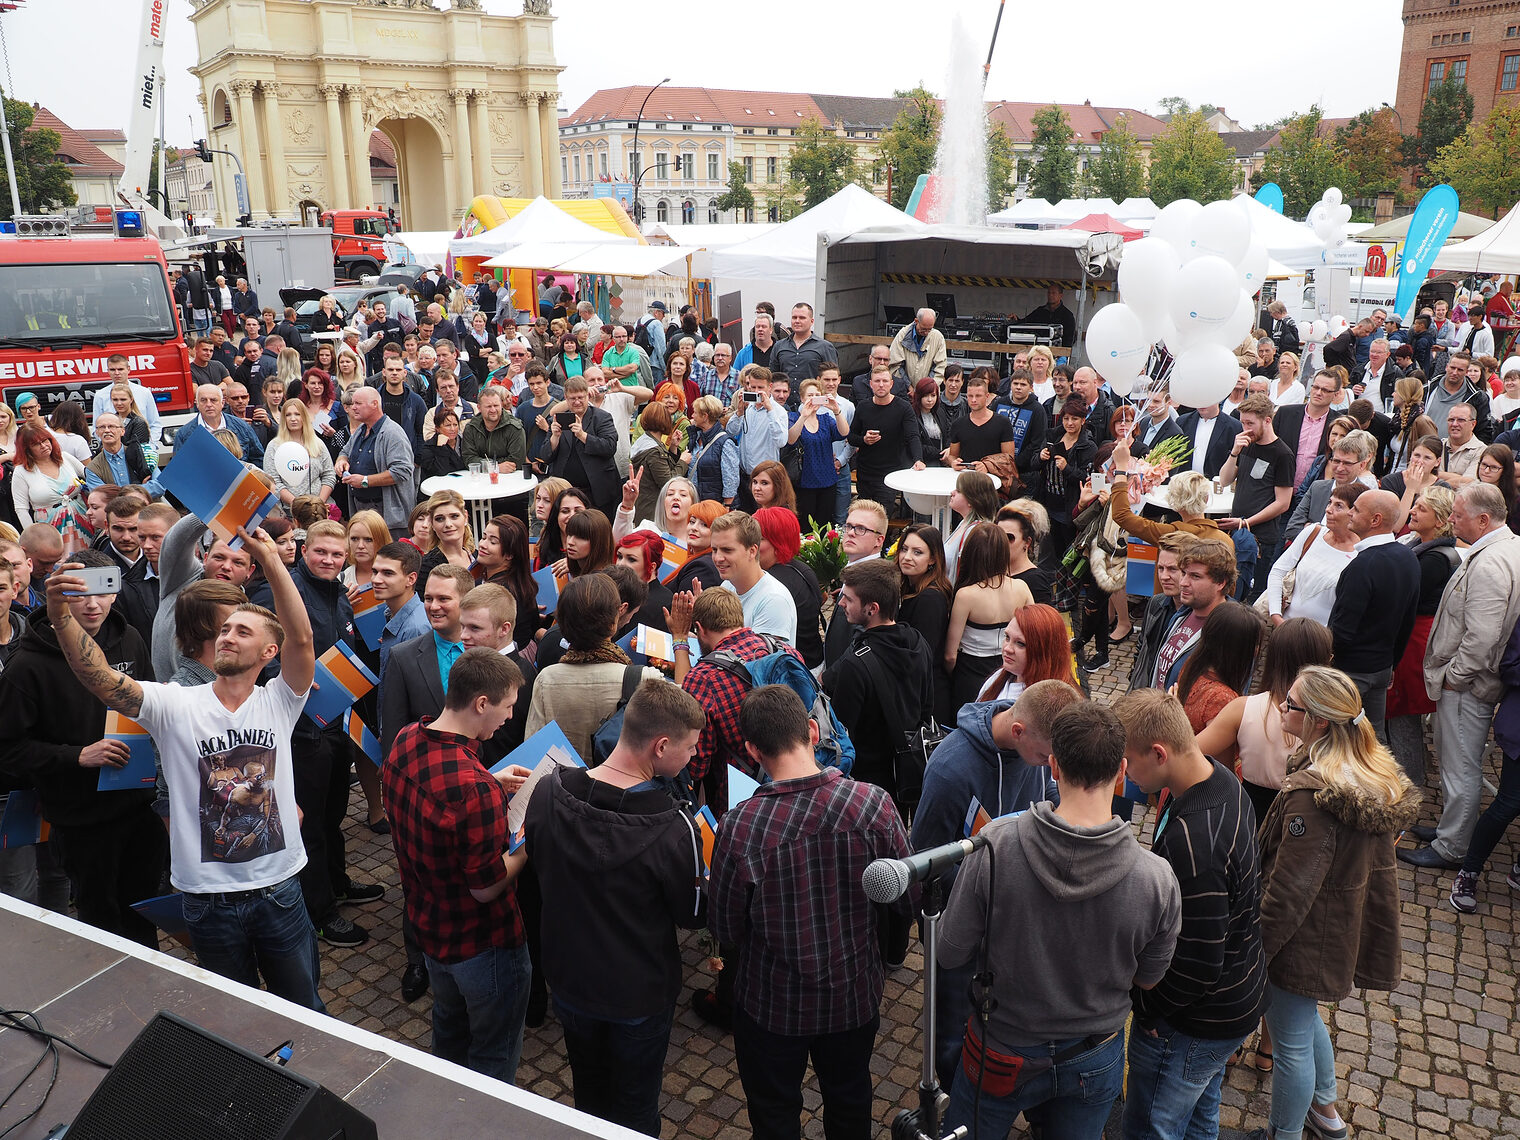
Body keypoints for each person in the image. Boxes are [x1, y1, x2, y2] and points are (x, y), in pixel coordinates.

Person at [41, 528, 329, 1008]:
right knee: (232, 1020)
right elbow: (103, 681)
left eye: (242, 630)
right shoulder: (173, 702)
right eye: (224, 629)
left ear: (268, 653)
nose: (227, 636)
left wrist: (272, 561)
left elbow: (301, 636)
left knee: (306, 1010)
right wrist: (58, 617)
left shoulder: (281, 700)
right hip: (208, 900)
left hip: (280, 889)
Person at [940, 701, 1181, 1139]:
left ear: (1052, 766)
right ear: (1122, 771)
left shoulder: (995, 846)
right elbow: (1149, 979)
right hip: (1093, 1053)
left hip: (1001, 1047)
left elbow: (950, 949)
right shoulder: (1157, 879)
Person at [709, 682, 911, 1140]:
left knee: (775, 1113)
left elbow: (725, 926)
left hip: (772, 1004)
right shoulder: (873, 804)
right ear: (814, 732)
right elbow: (906, 898)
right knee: (850, 1100)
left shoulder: (740, 826)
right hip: (853, 994)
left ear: (752, 750)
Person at [525, 679, 707, 1136]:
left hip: (568, 980)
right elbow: (692, 914)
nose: (693, 758)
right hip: (638, 993)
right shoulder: (673, 828)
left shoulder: (547, 792)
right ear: (660, 746)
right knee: (635, 1108)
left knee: (588, 1090)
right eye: (690, 748)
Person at [1258, 667, 1418, 1140]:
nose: (1282, 708)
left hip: (1304, 938)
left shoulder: (1315, 798)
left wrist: (1255, 949)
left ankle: (1281, 1134)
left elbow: (1289, 891)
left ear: (1321, 723)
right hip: (1331, 926)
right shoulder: (1362, 771)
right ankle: (1325, 1114)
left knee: (1289, 1044)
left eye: (1292, 704)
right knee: (1304, 1023)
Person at [1114, 688, 1267, 1140]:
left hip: (1193, 1022)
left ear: (1159, 753)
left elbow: (1198, 963)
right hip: (1235, 1001)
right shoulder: (1221, 779)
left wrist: (1146, 1009)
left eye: (1128, 759)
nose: (1124, 771)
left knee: (1151, 1127)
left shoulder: (1194, 841)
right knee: (1200, 1117)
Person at [911, 679, 1080, 1082]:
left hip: (1012, 922)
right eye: (1045, 755)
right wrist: (993, 889)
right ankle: (953, 1099)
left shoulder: (1035, 752)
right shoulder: (952, 769)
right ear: (1017, 731)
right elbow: (925, 861)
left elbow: (1048, 794)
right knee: (952, 1029)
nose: (1049, 765)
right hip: (960, 928)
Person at [0, 547, 163, 947]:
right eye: (79, 592)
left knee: (143, 911)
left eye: (103, 590)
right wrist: (77, 756)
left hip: (137, 805)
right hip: (80, 818)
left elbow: (151, 705)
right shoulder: (28, 666)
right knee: (102, 921)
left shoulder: (129, 639)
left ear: (115, 591)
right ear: (60, 595)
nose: (93, 604)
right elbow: (7, 750)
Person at [384, 647, 533, 1080]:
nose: (508, 718)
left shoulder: (408, 736)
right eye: (506, 708)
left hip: (430, 927)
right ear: (481, 703)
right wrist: (529, 842)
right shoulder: (472, 790)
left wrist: (490, 780)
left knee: (448, 1030)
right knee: (493, 1053)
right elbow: (485, 886)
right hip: (482, 943)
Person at [1404, 483, 1520, 870]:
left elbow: (1482, 636)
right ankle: (1449, 830)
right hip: (1473, 681)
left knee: (1461, 767)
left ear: (1484, 520)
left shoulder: (1490, 561)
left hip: (1469, 686)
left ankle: (1451, 847)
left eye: (1458, 514)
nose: (1450, 519)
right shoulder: (1506, 548)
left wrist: (1454, 676)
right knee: (1460, 764)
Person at [823, 558, 935, 811]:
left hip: (867, 784)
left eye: (848, 599)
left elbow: (842, 733)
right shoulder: (918, 642)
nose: (840, 603)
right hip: (908, 772)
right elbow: (927, 707)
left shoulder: (856, 664)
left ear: (872, 608)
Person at [523, 573, 662, 762]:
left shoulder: (547, 679)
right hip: (619, 789)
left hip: (563, 785)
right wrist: (680, 641)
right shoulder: (644, 678)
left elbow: (534, 748)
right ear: (613, 622)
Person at [1326, 489, 1420, 743]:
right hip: (1381, 667)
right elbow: (1407, 622)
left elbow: (1342, 630)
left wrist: (1326, 665)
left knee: (1339, 740)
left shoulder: (1362, 566)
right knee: (1373, 739)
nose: (1350, 513)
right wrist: (1391, 663)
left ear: (1375, 520)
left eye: (1356, 509)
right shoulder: (1408, 558)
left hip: (1351, 672)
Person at [1219, 393, 1296, 599]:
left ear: (1267, 420)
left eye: (1250, 423)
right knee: (1231, 590)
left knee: (1251, 594)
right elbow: (1224, 480)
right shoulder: (1246, 444)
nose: (1245, 429)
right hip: (1238, 530)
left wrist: (1246, 523)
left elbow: (1283, 503)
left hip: (1260, 538)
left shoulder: (1282, 454)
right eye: (1243, 422)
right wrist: (1234, 453)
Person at [1264, 482, 1365, 628]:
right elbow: (1278, 571)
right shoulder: (1313, 532)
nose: (1328, 510)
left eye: (1339, 506)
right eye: (1330, 502)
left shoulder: (1362, 554)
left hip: (1319, 642)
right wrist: (1276, 615)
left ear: (1354, 513)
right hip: (1283, 630)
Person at [1153, 538, 1235, 691]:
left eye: (1195, 576)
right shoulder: (1182, 613)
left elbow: (1226, 697)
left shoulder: (1232, 629)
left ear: (1221, 582)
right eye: (1184, 573)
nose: (1183, 582)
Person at [335, 386, 417, 535]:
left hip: (389, 518)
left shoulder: (392, 433)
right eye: (352, 404)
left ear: (374, 404)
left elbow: (402, 471)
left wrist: (365, 480)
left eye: (358, 404)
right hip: (361, 510)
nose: (353, 408)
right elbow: (345, 451)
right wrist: (341, 461)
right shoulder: (361, 430)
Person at [708, 511, 797, 643]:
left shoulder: (774, 601)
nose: (718, 558)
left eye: (727, 550)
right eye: (714, 550)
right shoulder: (728, 585)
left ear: (752, 551)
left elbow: (758, 660)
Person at [895, 523, 954, 719]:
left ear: (933, 560)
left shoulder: (930, 598)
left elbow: (921, 655)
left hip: (926, 699)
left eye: (917, 552)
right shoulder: (912, 588)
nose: (907, 557)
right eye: (904, 549)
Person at [1282, 428, 1378, 546]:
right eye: (1336, 461)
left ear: (1362, 465)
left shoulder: (1365, 497)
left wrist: (1312, 529)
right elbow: (1292, 529)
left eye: (1347, 463)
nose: (1340, 468)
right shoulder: (1317, 488)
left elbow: (1361, 539)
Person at [850, 364, 923, 511]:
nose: (881, 385)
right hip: (865, 474)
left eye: (884, 381)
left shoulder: (903, 407)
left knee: (882, 518)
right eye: (877, 381)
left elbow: (913, 436)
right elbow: (851, 437)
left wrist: (918, 459)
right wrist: (864, 440)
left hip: (890, 475)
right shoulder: (863, 407)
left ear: (891, 383)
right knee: (866, 517)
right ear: (871, 384)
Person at [547, 377, 622, 518]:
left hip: (598, 491)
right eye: (572, 398)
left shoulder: (602, 418)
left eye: (580, 397)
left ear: (588, 395)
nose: (576, 402)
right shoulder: (557, 420)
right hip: (566, 492)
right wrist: (555, 437)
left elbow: (610, 447)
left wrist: (582, 435)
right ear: (565, 398)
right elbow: (545, 456)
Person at [1035, 396, 1097, 556]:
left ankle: (1063, 580)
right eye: (1066, 418)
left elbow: (1087, 477)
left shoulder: (1087, 446)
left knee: (1066, 548)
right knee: (1048, 548)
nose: (1070, 423)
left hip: (1069, 504)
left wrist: (1067, 469)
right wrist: (1040, 457)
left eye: (1074, 419)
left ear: (1083, 421)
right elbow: (1033, 464)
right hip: (1048, 500)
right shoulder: (1053, 436)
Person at [11, 423, 87, 547]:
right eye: (36, 444)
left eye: (45, 440)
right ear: (27, 449)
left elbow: (89, 475)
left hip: (82, 522)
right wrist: (34, 536)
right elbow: (21, 509)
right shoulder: (21, 472)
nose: (43, 446)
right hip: (49, 530)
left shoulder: (65, 458)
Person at [787, 378, 850, 526]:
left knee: (824, 524)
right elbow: (791, 439)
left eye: (817, 395)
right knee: (805, 525)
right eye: (809, 395)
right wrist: (804, 415)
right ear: (802, 398)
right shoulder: (793, 417)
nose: (813, 399)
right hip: (804, 482)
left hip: (827, 480)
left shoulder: (826, 419)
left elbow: (844, 432)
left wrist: (836, 410)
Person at [996, 499, 1053, 605]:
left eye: (1009, 537)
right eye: (998, 536)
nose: (1002, 542)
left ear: (1027, 542)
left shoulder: (1036, 581)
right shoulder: (993, 570)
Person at [1178, 401, 1242, 479]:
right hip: (1186, 483)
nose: (1202, 403)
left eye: (1207, 399)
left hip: (1215, 484)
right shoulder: (1182, 421)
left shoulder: (1234, 427)